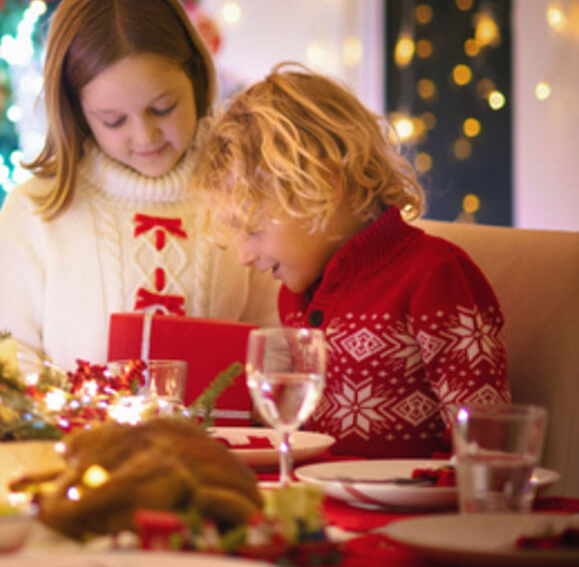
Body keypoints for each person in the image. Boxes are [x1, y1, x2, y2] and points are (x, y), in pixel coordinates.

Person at [193, 63, 510, 457]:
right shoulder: (295, 296)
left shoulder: (436, 276)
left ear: (322, 188)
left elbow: (484, 443)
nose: (243, 256)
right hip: (321, 493)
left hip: (413, 497)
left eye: (253, 230)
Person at [0, 0, 278, 370]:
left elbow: (278, 342)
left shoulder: (247, 195)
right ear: (77, 112)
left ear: (196, 77)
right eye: (114, 120)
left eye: (163, 108)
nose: (145, 136)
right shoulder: (38, 208)